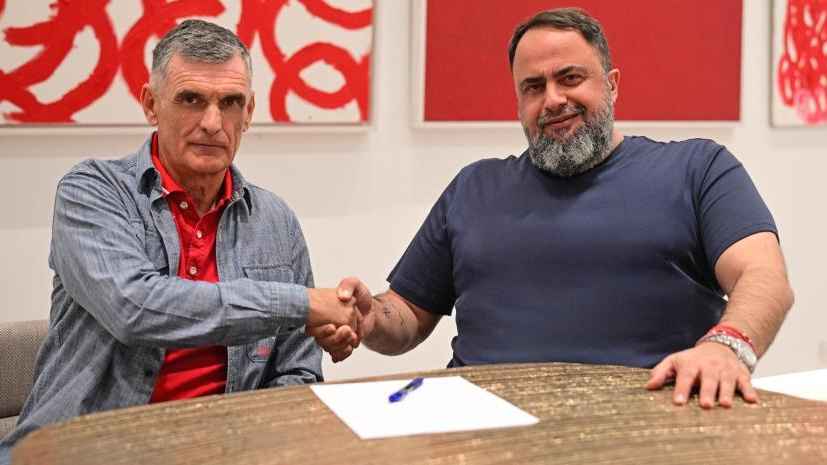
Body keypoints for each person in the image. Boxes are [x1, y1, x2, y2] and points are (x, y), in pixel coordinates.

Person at [310, 8, 794, 409]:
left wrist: (727, 346)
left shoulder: (698, 169)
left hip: (647, 424)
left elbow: (764, 277)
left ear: (612, 85)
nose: (553, 100)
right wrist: (369, 318)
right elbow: (407, 319)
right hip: (478, 426)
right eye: (533, 87)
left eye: (570, 78)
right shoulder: (474, 186)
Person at [0, 19, 359, 463]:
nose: (212, 123)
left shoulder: (275, 221)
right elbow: (135, 308)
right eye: (191, 99)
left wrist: (258, 445)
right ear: (151, 104)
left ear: (248, 113)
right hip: (80, 451)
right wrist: (301, 304)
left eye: (230, 103)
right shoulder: (92, 191)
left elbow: (297, 369)